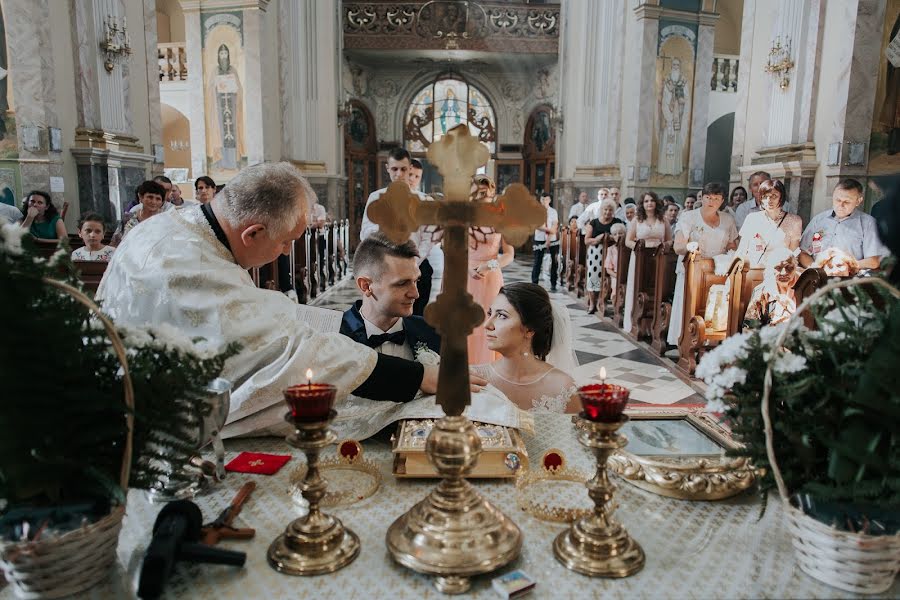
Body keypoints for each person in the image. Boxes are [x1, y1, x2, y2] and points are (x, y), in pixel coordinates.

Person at [96, 162, 479, 439]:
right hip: (147, 434)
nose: (284, 254)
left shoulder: (172, 227)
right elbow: (293, 355)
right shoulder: (190, 264)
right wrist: (421, 375)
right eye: (284, 242)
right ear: (253, 233)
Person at [472, 283, 579, 413]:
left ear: (530, 330)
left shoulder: (564, 388)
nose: (487, 324)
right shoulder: (473, 379)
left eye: (502, 316)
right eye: (490, 314)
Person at [360, 147, 437, 317]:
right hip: (385, 266)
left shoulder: (424, 201)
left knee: (416, 319)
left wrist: (414, 262)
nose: (399, 174)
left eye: (403, 169)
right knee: (386, 316)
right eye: (394, 169)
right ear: (387, 168)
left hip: (418, 266)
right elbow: (365, 233)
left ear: (410, 169)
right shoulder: (376, 197)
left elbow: (428, 237)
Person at [340, 233, 440, 359]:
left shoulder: (433, 332)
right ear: (366, 286)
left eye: (416, 281)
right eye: (402, 283)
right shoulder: (335, 335)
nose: (415, 294)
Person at [667, 182, 738, 347]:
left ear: (722, 201)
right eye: (708, 197)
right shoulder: (688, 217)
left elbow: (733, 245)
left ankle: (710, 343)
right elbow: (678, 246)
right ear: (703, 197)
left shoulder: (728, 220)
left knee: (713, 309)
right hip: (693, 269)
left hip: (717, 272)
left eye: (716, 198)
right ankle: (685, 342)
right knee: (689, 306)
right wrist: (689, 247)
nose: (711, 201)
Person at [468, 175, 515, 364]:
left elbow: (509, 255)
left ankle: (488, 366)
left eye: (484, 194)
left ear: (492, 193)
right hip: (465, 276)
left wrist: (490, 265)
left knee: (488, 322)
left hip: (490, 277)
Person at [799, 178, 889, 271]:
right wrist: (815, 269)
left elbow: (874, 261)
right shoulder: (819, 220)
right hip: (817, 276)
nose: (841, 205)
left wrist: (844, 266)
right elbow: (803, 252)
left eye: (846, 202)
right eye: (838, 200)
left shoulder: (868, 224)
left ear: (858, 201)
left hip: (849, 279)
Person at [623, 192, 672, 333]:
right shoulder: (637, 219)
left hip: (658, 257)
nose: (649, 203)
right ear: (642, 204)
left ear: (656, 203)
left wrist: (663, 246)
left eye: (652, 201)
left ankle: (655, 324)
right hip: (640, 257)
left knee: (656, 289)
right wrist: (639, 248)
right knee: (639, 286)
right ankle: (635, 322)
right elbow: (628, 241)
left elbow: (669, 240)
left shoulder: (663, 219)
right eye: (646, 201)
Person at [736, 179, 802, 268]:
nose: (769, 200)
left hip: (779, 271)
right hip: (754, 269)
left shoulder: (794, 221)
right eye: (765, 196)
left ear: (781, 197)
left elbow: (793, 254)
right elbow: (741, 251)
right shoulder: (752, 219)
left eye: (774, 196)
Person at [743, 247, 800, 329]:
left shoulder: (806, 288)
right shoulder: (762, 291)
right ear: (770, 268)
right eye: (778, 268)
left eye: (789, 267)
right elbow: (749, 328)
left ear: (796, 267)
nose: (784, 273)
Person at [584, 198, 623, 314]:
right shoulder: (594, 222)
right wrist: (598, 238)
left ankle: (604, 300)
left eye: (610, 210)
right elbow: (587, 240)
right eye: (605, 210)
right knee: (593, 278)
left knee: (608, 277)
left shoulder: (617, 221)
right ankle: (592, 303)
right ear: (601, 210)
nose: (607, 212)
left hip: (612, 254)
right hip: (595, 254)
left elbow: (622, 235)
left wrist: (612, 237)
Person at [113, 180, 167, 245]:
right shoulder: (128, 219)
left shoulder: (165, 221)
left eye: (158, 199)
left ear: (162, 202)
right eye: (150, 197)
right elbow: (115, 243)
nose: (153, 202)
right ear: (141, 197)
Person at [531, 194, 560, 292]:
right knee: (537, 261)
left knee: (554, 261)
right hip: (539, 238)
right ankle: (534, 283)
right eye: (542, 199)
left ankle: (553, 283)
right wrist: (549, 230)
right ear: (540, 200)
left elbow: (555, 224)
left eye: (546, 199)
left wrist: (549, 238)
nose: (544, 201)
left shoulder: (553, 211)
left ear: (550, 200)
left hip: (552, 239)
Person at [604, 222, 628, 301]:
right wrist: (618, 276)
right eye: (615, 234)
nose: (618, 236)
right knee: (617, 287)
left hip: (627, 275)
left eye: (620, 233)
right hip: (615, 275)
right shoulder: (610, 249)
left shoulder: (629, 248)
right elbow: (608, 269)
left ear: (625, 234)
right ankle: (616, 304)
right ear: (613, 236)